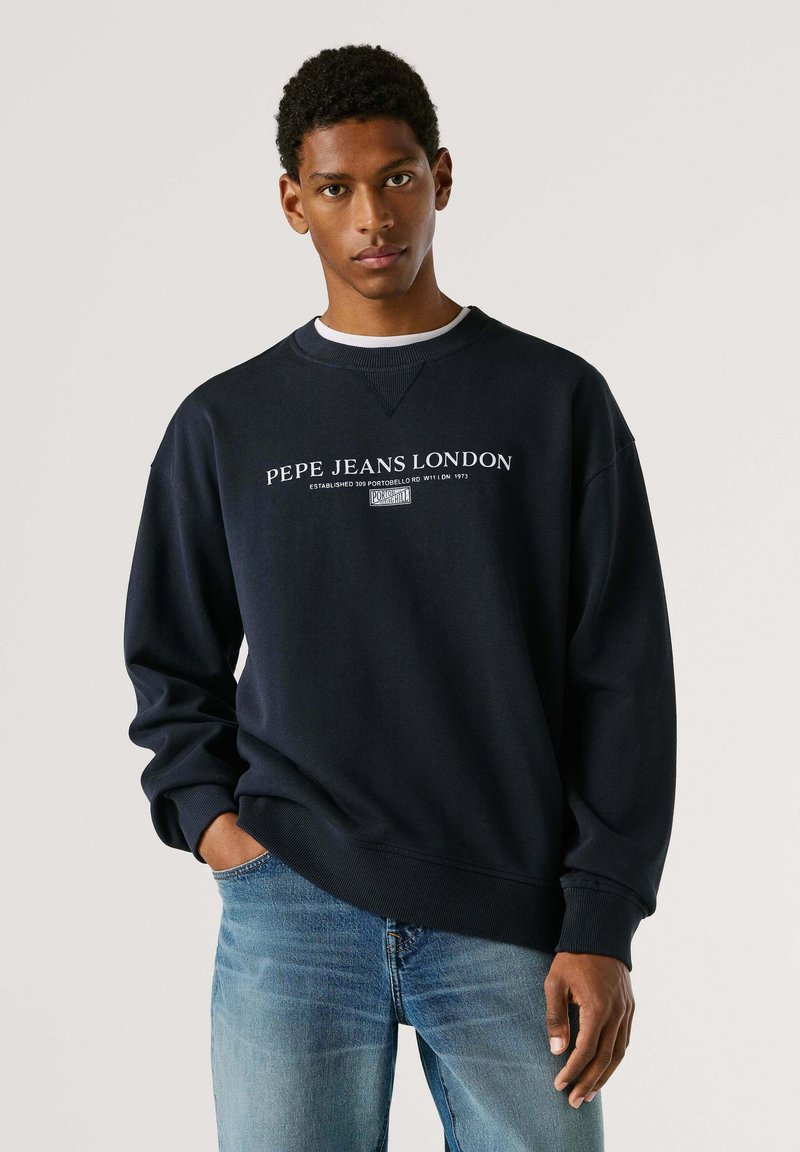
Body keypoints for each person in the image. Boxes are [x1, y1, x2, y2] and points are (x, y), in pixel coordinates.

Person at [123, 42, 677, 1152]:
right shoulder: (227, 423)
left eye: (397, 178)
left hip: (514, 911)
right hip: (291, 905)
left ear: (441, 178)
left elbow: (622, 673)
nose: (372, 216)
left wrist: (603, 916)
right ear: (294, 202)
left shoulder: (553, 399)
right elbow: (172, 657)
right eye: (336, 188)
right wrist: (215, 826)